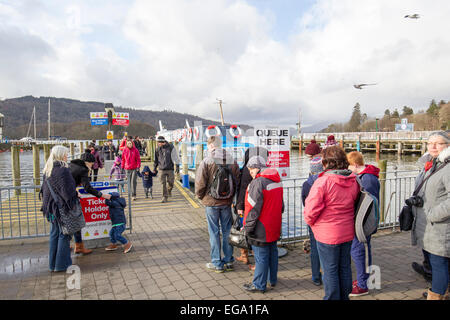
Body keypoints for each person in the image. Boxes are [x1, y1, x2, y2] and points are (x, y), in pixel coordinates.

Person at [304, 146, 360, 300]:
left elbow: (310, 211)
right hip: (347, 230)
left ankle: (332, 297)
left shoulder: (323, 181)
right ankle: (344, 296)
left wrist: (313, 224)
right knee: (344, 267)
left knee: (330, 270)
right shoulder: (353, 180)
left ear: (326, 163)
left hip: (327, 234)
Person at [410, 131, 449, 300]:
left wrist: (433, 214)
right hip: (428, 225)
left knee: (439, 263)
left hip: (439, 225)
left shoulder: (447, 167)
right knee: (436, 262)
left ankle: (437, 295)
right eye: (430, 143)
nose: (433, 146)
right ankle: (441, 289)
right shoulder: (433, 164)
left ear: (447, 145)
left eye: (438, 143)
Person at [195, 136, 240, 273]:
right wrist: (232, 198)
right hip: (226, 202)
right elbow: (237, 180)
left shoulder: (207, 161)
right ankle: (229, 260)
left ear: (210, 146)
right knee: (227, 231)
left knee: (213, 232)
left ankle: (217, 263)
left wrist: (200, 196)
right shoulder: (232, 160)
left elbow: (200, 183)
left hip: (211, 202)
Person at [242, 156, 284, 293]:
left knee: (261, 257)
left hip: (261, 227)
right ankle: (272, 279)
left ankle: (259, 284)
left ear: (257, 168)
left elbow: (253, 209)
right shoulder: (277, 180)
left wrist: (247, 228)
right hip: (274, 224)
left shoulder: (258, 183)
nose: (250, 172)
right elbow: (282, 206)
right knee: (273, 252)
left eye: (251, 169)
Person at [347, 151, 380, 297]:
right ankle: (362, 280)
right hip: (359, 221)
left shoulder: (368, 179)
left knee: (360, 251)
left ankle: (363, 285)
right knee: (359, 251)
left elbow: (367, 204)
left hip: (362, 223)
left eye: (348, 165)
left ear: (354, 164)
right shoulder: (363, 176)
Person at [40, 146, 78, 272]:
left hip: (50, 208)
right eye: (66, 154)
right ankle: (62, 264)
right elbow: (67, 192)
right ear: (62, 155)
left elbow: (44, 190)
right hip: (61, 208)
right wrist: (75, 197)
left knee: (54, 235)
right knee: (64, 235)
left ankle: (53, 264)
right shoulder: (63, 170)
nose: (67, 156)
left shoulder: (48, 169)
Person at [69, 150, 112, 255]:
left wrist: (74, 190)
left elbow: (69, 182)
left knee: (68, 222)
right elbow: (87, 187)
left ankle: (73, 245)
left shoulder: (71, 165)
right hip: (69, 198)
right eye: (92, 163)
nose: (92, 166)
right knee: (77, 221)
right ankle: (78, 246)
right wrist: (101, 195)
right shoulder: (83, 169)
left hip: (63, 195)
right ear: (87, 162)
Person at [235, 146, 269, 268]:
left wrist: (239, 205)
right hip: (255, 205)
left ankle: (245, 256)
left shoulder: (246, 169)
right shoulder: (264, 170)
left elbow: (243, 188)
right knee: (253, 232)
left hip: (247, 205)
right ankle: (252, 258)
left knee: (246, 231)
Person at [301, 155, 325, 287]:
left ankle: (316, 277)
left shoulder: (306, 184)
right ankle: (327, 275)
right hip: (326, 220)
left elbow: (304, 202)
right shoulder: (326, 182)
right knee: (326, 248)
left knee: (315, 248)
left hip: (313, 220)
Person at [154, 136, 180, 203]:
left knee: (171, 182)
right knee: (163, 183)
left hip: (170, 168)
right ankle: (164, 197)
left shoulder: (171, 147)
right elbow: (156, 159)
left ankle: (169, 190)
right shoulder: (157, 149)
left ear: (163, 142)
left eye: (159, 142)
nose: (158, 143)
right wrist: (154, 168)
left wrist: (177, 166)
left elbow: (175, 157)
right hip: (161, 169)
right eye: (158, 142)